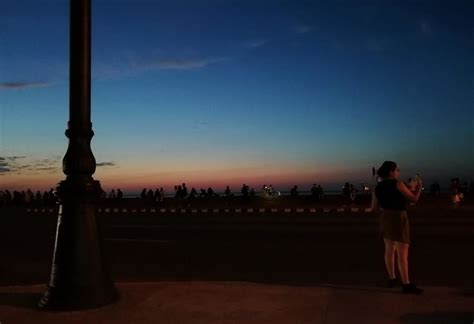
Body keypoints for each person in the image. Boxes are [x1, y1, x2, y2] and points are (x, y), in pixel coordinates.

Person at [371, 161, 423, 294]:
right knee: (402, 253)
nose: (398, 171)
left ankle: (392, 279)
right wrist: (419, 188)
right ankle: (406, 284)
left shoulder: (377, 187)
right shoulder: (398, 184)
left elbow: (374, 208)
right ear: (391, 172)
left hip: (385, 217)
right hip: (399, 217)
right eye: (397, 170)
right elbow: (413, 199)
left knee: (389, 250)